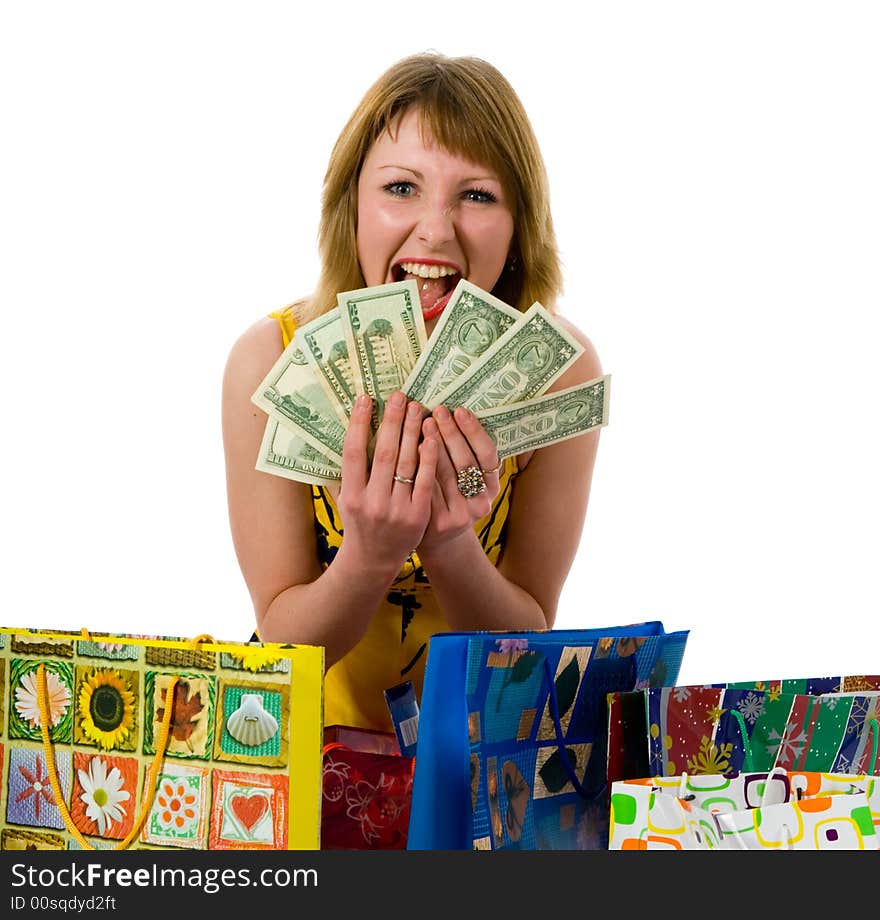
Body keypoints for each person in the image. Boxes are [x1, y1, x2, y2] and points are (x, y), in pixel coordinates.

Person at [221, 52, 603, 734]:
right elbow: (279, 653)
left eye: (478, 195)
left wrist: (453, 545)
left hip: (477, 764)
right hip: (311, 760)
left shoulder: (559, 374)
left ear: (519, 229)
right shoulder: (272, 363)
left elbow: (527, 647)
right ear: (352, 208)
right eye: (402, 187)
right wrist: (369, 554)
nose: (435, 228)